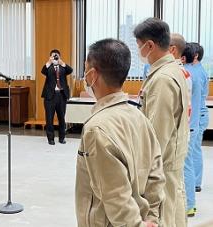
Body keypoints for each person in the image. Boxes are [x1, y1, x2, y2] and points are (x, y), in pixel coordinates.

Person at [75, 38, 165, 227]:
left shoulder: (97, 129)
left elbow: (115, 196)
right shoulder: (140, 118)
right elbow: (156, 177)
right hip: (143, 218)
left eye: (85, 70)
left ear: (92, 75)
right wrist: (152, 219)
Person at [134, 18, 189, 227]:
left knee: (165, 216)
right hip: (170, 163)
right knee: (174, 212)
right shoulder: (171, 70)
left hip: (162, 169)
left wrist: (143, 176)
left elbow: (157, 136)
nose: (139, 52)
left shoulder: (163, 79)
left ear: (150, 45)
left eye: (139, 46)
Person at [181, 43, 202, 217]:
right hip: (192, 123)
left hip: (189, 124)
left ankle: (189, 204)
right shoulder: (194, 72)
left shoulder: (187, 74)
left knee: (186, 163)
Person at [41, 49, 73, 145]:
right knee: (49, 119)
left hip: (61, 95)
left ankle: (62, 138)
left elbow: (70, 70)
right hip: (50, 96)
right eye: (53, 56)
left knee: (62, 118)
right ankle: (51, 139)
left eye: (56, 56)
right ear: (50, 57)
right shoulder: (48, 67)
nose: (55, 57)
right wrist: (49, 61)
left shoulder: (63, 67)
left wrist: (61, 62)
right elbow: (43, 71)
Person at [191, 43, 209, 194]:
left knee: (195, 148)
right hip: (199, 113)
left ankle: (196, 182)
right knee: (194, 148)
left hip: (199, 114)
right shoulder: (196, 70)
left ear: (195, 55)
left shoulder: (196, 71)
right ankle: (195, 181)